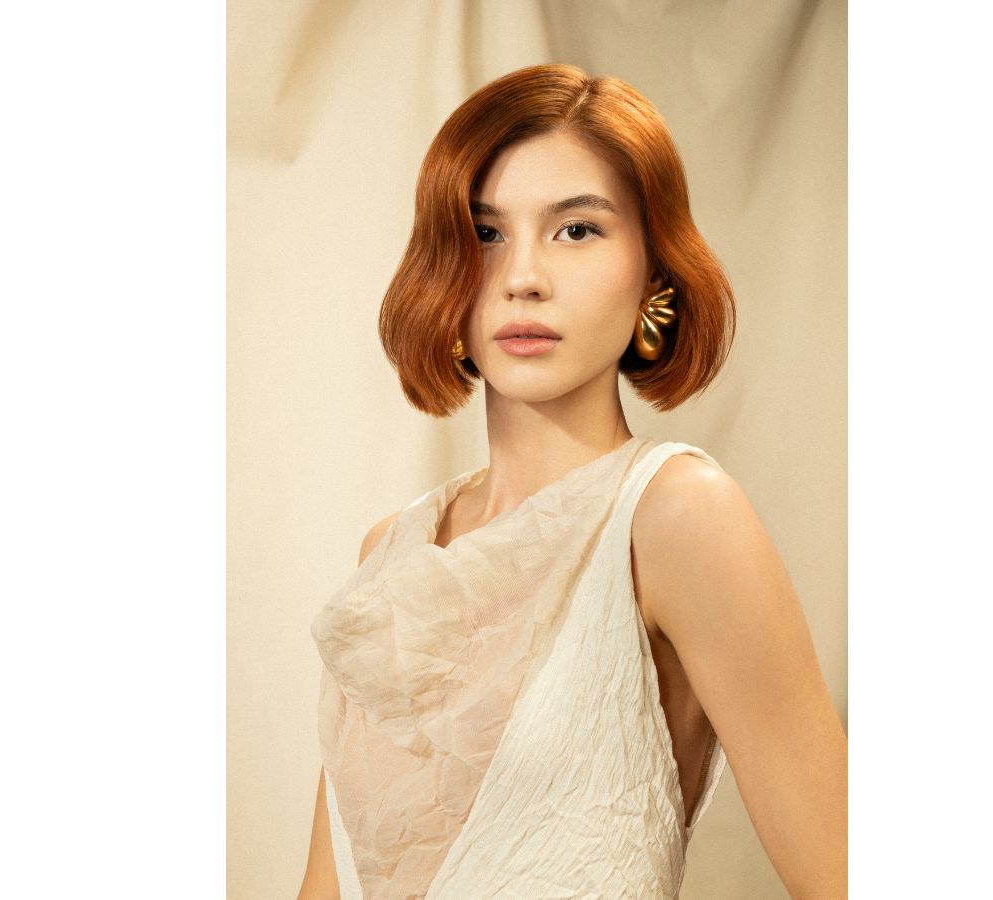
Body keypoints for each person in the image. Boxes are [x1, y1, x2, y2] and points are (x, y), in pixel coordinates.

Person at [299, 63, 846, 899]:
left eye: (577, 229)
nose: (523, 276)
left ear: (655, 271)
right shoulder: (391, 551)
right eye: (485, 233)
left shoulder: (676, 516)